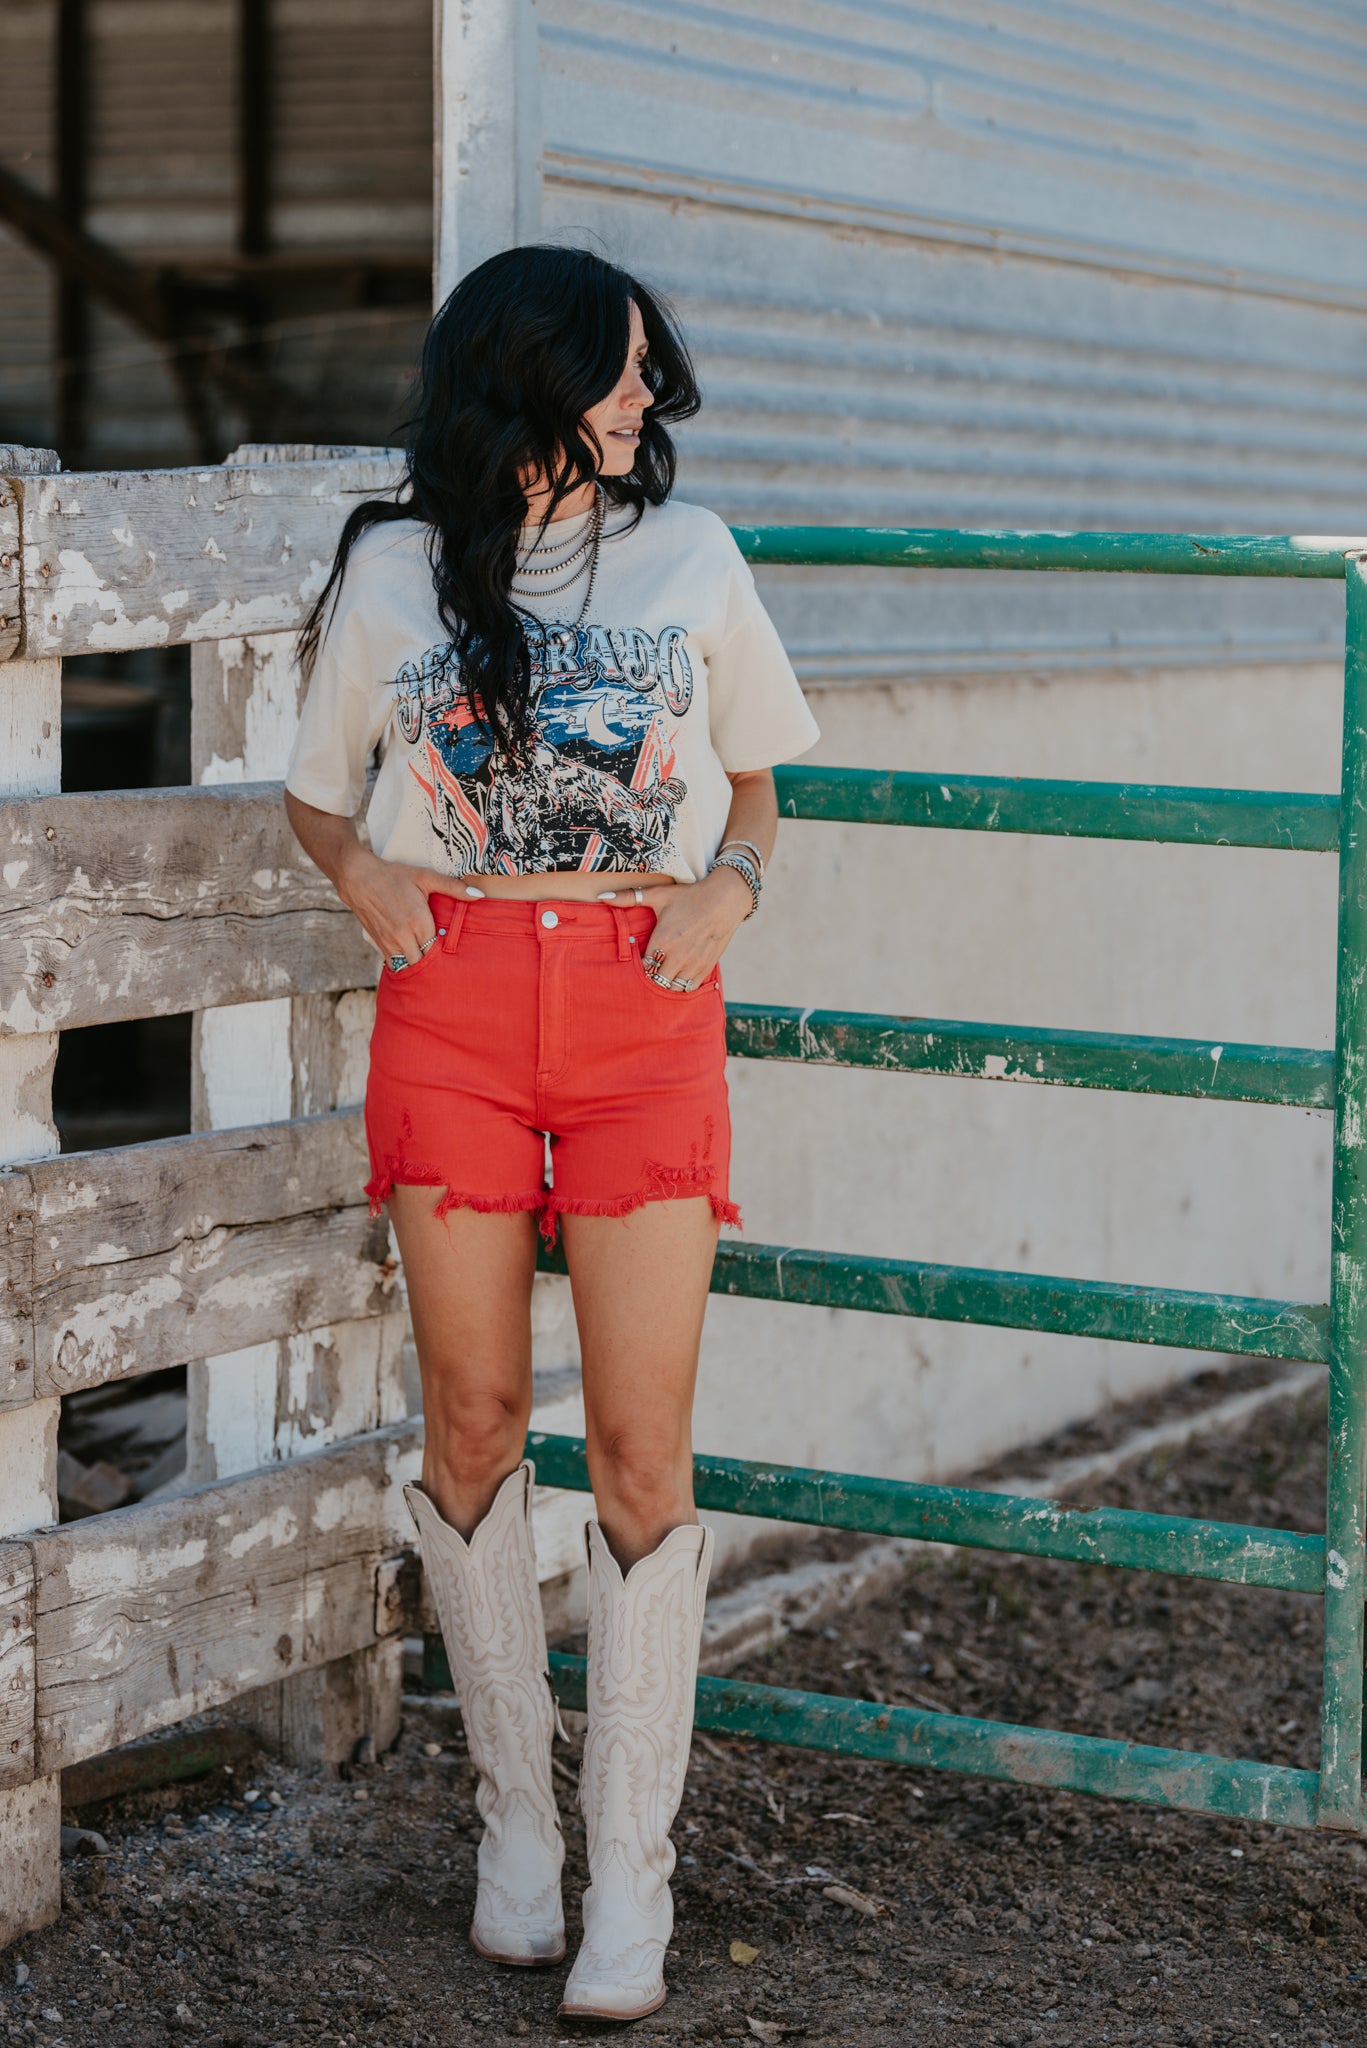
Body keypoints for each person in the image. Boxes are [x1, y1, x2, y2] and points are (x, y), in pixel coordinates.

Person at [283, 244, 820, 2023]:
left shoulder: (696, 557)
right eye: (618, 369)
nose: (645, 399)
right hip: (451, 1005)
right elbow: (310, 793)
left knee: (646, 1459)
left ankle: (634, 1880)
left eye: (652, 371)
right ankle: (518, 1830)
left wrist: (731, 889)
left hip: (640, 1014)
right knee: (475, 1417)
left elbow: (755, 776)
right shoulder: (391, 567)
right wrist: (364, 876)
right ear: (529, 378)